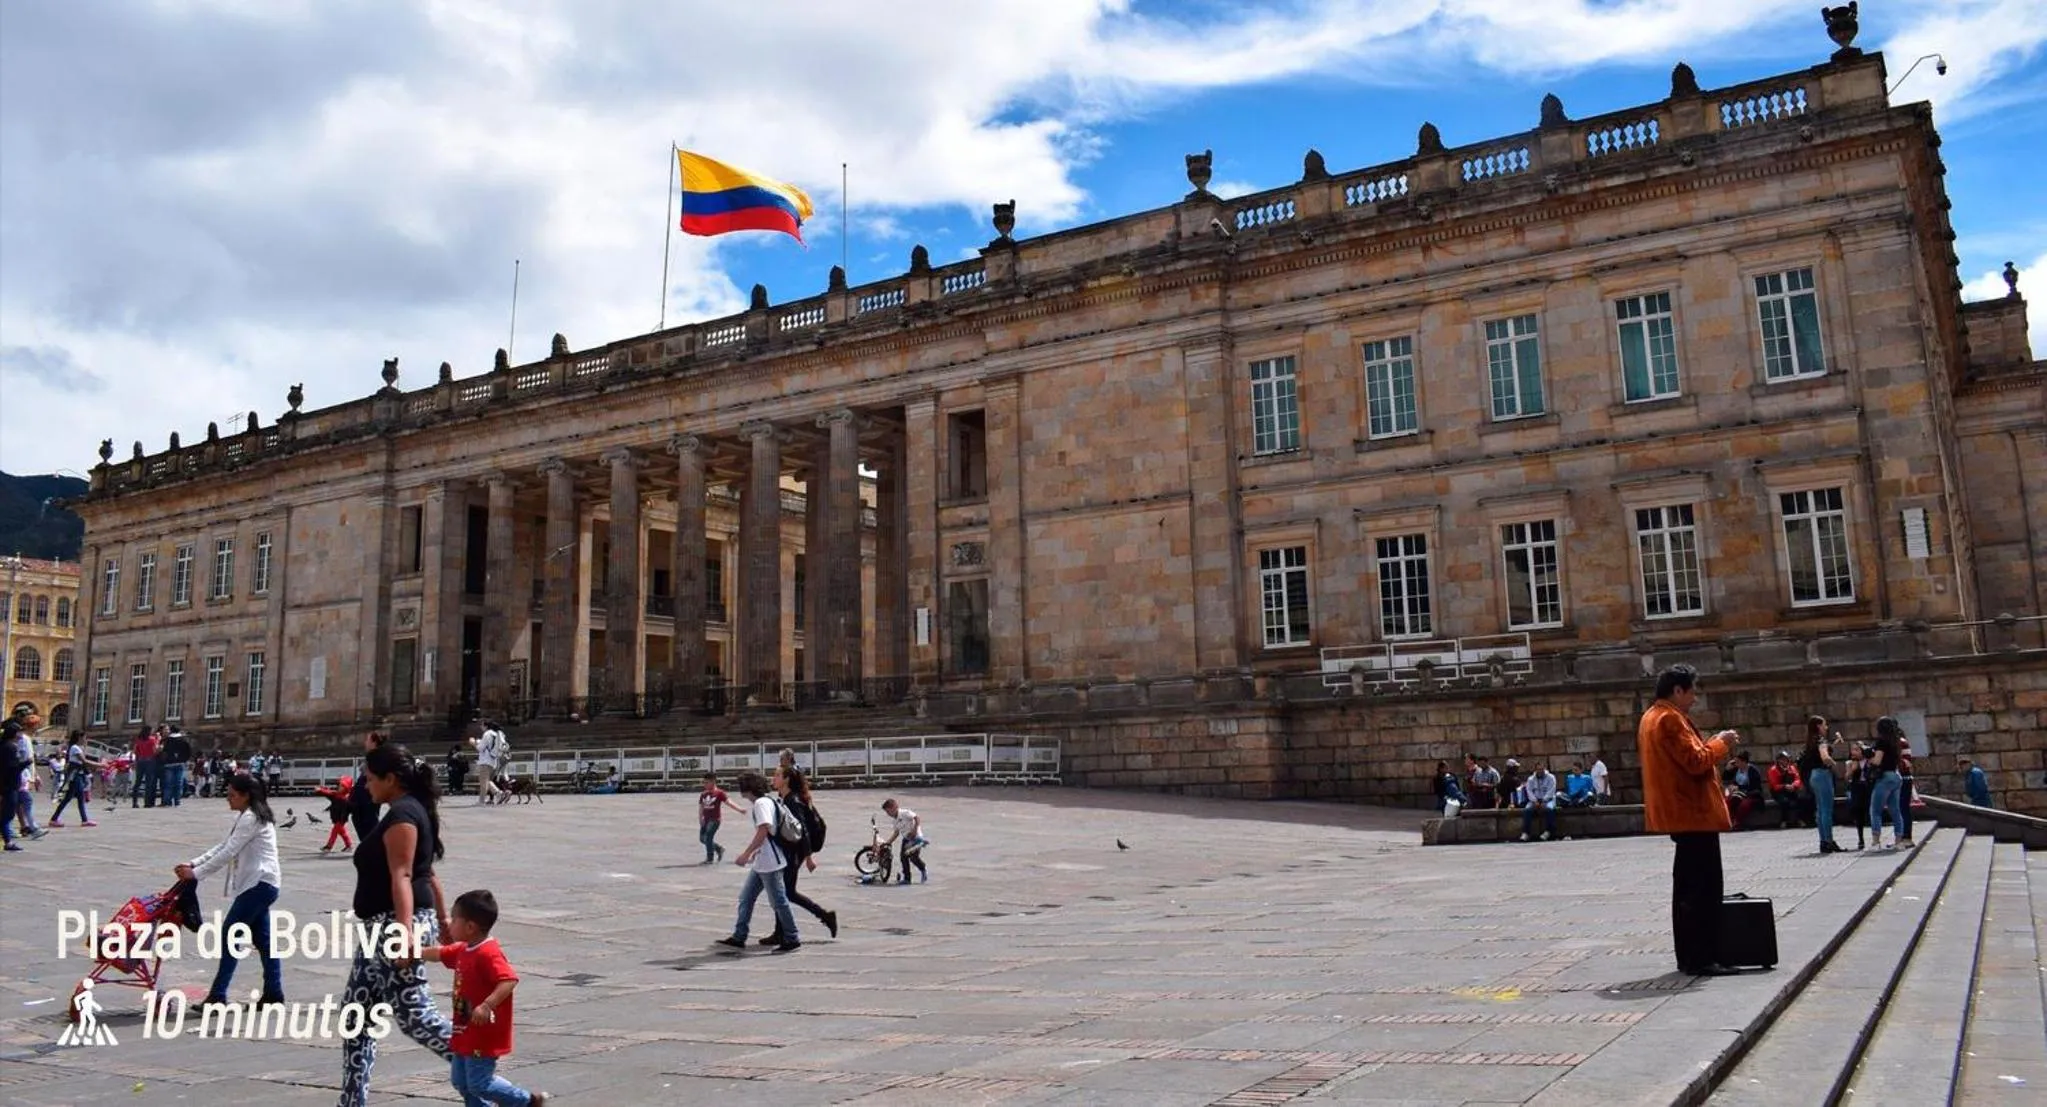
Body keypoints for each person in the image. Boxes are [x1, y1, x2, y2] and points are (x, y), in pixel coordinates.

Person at [338, 743, 455, 1107]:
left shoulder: (403, 816)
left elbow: (404, 875)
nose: (365, 784)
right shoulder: (407, 810)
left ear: (391, 779)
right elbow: (428, 873)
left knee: (415, 1016)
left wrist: (404, 933)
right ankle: (352, 1101)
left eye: (370, 778)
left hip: (392, 925)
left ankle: (480, 1063)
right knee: (356, 1012)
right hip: (379, 927)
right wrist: (443, 918)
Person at [1637, 664, 1740, 977]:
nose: (1695, 698)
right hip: (1693, 813)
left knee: (1685, 889)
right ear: (1678, 690)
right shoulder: (1670, 719)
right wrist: (1721, 742)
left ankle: (1690, 957)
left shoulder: (1650, 717)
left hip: (1679, 814)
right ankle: (1702, 957)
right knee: (1703, 890)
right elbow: (1696, 761)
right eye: (1692, 691)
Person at [428, 889, 549, 1107]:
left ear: (470, 927)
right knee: (461, 1082)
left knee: (479, 1084)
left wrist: (486, 1006)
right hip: (464, 1030)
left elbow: (509, 980)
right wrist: (412, 952)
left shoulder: (487, 953)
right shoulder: (465, 948)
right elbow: (439, 954)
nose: (450, 923)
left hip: (483, 1033)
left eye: (454, 919)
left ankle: (526, 1101)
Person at [176, 771, 285, 1005]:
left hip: (259, 884)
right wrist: (195, 863)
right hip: (261, 884)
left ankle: (217, 995)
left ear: (246, 796)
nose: (228, 798)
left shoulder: (251, 818)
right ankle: (273, 993)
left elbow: (228, 851)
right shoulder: (251, 815)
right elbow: (226, 845)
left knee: (230, 935)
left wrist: (196, 874)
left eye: (232, 794)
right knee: (264, 941)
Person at [713, 771, 800, 953]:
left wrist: (746, 853)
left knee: (778, 901)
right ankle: (739, 936)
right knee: (746, 898)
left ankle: (792, 937)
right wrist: (755, 853)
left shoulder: (761, 804)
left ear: (747, 789)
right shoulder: (767, 801)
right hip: (763, 861)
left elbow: (763, 830)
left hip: (770, 863)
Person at [761, 766, 837, 945]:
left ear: (786, 779)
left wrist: (809, 857)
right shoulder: (786, 798)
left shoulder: (792, 801)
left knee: (786, 893)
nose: (774, 778)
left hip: (794, 853)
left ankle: (825, 916)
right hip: (791, 851)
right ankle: (780, 932)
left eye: (778, 775)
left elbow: (803, 831)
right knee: (783, 892)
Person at [1, 709, 47, 852]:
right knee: (7, 814)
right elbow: (12, 768)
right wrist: (25, 764)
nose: (21, 734)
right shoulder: (10, 747)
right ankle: (25, 830)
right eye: (18, 732)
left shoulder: (5, 746)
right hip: (10, 785)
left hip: (8, 784)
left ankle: (9, 841)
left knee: (9, 812)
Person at [1798, 717, 1842, 853]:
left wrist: (1834, 744)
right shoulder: (1821, 740)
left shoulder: (1811, 741)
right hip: (1823, 775)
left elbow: (1817, 754)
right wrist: (1835, 765)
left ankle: (1823, 841)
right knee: (1827, 810)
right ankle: (1829, 841)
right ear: (1818, 726)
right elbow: (1824, 757)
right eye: (1824, 725)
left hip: (1813, 776)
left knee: (1821, 809)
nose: (1826, 727)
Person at [1868, 717, 1910, 851]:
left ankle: (1875, 842)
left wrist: (1869, 758)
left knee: (1875, 810)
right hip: (1896, 776)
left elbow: (1877, 761)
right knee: (1896, 811)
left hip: (1885, 777)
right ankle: (1899, 841)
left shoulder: (1881, 742)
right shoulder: (1896, 742)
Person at [47, 730, 100, 828]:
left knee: (79, 798)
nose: (85, 740)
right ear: (79, 738)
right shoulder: (75, 748)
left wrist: (84, 747)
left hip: (77, 775)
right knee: (70, 798)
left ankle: (84, 820)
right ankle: (54, 819)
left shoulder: (76, 747)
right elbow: (84, 761)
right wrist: (100, 765)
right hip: (75, 776)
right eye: (84, 737)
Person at [348, 731, 391, 843]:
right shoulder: (372, 756)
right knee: (360, 819)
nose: (365, 742)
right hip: (362, 798)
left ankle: (374, 845)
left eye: (367, 739)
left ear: (374, 742)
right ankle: (370, 844)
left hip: (368, 797)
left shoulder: (379, 756)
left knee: (369, 822)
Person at [696, 771, 743, 865]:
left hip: (714, 820)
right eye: (704, 782)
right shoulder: (704, 794)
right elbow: (701, 807)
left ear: (713, 781)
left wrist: (740, 809)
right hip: (706, 819)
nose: (705, 785)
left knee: (708, 837)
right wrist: (700, 818)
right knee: (702, 838)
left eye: (707, 782)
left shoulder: (719, 793)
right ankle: (719, 849)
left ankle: (710, 858)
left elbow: (729, 802)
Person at [879, 798, 929, 883]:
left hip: (915, 837)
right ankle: (907, 878)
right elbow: (896, 833)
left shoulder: (905, 813)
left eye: (888, 811)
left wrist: (914, 830)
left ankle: (923, 869)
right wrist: (888, 843)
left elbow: (917, 818)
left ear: (894, 808)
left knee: (913, 857)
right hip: (906, 839)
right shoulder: (895, 820)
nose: (888, 814)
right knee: (903, 858)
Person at [1519, 764, 1559, 841]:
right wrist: (1535, 801)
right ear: (1535, 770)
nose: (1540, 771)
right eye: (1538, 769)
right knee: (1527, 810)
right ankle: (1526, 833)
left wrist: (1544, 800)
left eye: (1541, 769)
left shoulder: (1551, 777)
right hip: (1534, 800)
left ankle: (1548, 831)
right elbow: (1529, 791)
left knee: (1549, 809)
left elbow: (1551, 790)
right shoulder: (1531, 779)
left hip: (1548, 799)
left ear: (1544, 769)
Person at [1723, 753, 1763, 827]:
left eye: (1737, 762)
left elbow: (1755, 786)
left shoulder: (1753, 770)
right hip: (1738, 793)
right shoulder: (1736, 769)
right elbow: (1725, 779)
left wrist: (1739, 787)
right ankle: (1728, 820)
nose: (1736, 764)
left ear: (1744, 762)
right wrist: (1727, 769)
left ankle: (1737, 822)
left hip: (1751, 794)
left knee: (1744, 805)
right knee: (1729, 801)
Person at [318, 776, 355, 853]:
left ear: (346, 788)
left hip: (341, 819)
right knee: (342, 832)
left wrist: (342, 820)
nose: (339, 787)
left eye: (342, 786)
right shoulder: (336, 795)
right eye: (340, 785)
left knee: (334, 832)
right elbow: (328, 793)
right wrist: (321, 790)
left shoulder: (345, 800)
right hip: (336, 818)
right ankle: (349, 845)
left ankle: (329, 846)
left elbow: (346, 811)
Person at [1766, 752, 1803, 828]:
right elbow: (1774, 785)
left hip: (1791, 789)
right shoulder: (1773, 770)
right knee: (1784, 801)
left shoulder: (1792, 768)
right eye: (1782, 759)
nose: (1784, 761)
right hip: (1778, 791)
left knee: (1800, 799)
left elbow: (1798, 779)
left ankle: (1799, 819)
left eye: (1786, 759)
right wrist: (1784, 786)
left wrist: (1793, 785)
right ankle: (1784, 820)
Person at [160, 726, 193, 805]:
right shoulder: (183, 740)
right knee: (178, 783)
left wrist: (164, 760)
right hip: (180, 763)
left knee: (168, 784)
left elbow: (164, 752)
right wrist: (184, 760)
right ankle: (177, 800)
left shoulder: (167, 740)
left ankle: (167, 801)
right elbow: (188, 752)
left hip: (169, 764)